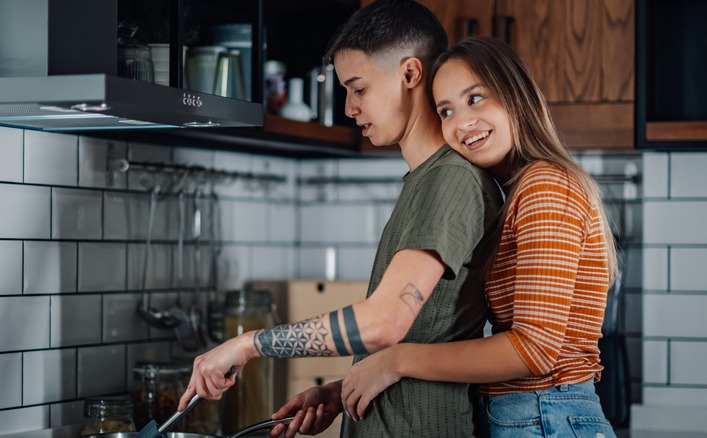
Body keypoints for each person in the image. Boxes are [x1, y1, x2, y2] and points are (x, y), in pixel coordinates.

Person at [178, 2, 503, 437]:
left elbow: (384, 323)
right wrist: (342, 390)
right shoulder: (425, 181)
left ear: (409, 74)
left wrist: (247, 344)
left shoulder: (450, 180)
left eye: (359, 88)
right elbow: (424, 334)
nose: (349, 107)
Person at [339, 36, 620, 438]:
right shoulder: (518, 192)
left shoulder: (546, 186)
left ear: (515, 94)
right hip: (530, 415)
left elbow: (533, 349)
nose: (462, 123)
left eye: (475, 99)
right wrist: (353, 384)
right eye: (446, 111)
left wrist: (397, 361)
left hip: (547, 416)